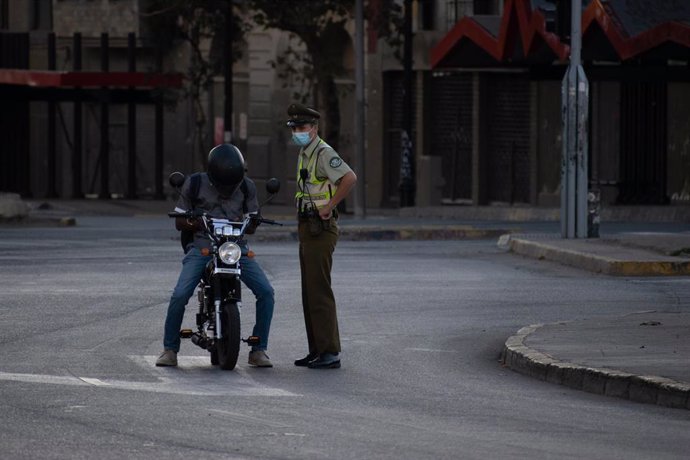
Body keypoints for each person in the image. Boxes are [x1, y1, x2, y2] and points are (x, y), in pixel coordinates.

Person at [156, 143, 275, 368]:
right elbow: (179, 221)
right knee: (181, 294)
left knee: (266, 291)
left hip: (234, 247)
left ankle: (259, 350)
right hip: (203, 245)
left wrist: (254, 220)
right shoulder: (195, 183)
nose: (228, 189)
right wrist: (195, 219)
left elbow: (251, 224)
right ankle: (169, 349)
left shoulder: (247, 186)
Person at [286, 103, 357, 369]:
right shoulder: (306, 152)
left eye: (302, 128)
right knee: (309, 291)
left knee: (320, 291)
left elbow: (349, 178)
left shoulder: (324, 153)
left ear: (314, 128)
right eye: (294, 128)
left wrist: (330, 205)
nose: (297, 132)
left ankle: (330, 352)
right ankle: (316, 349)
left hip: (321, 228)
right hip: (307, 226)